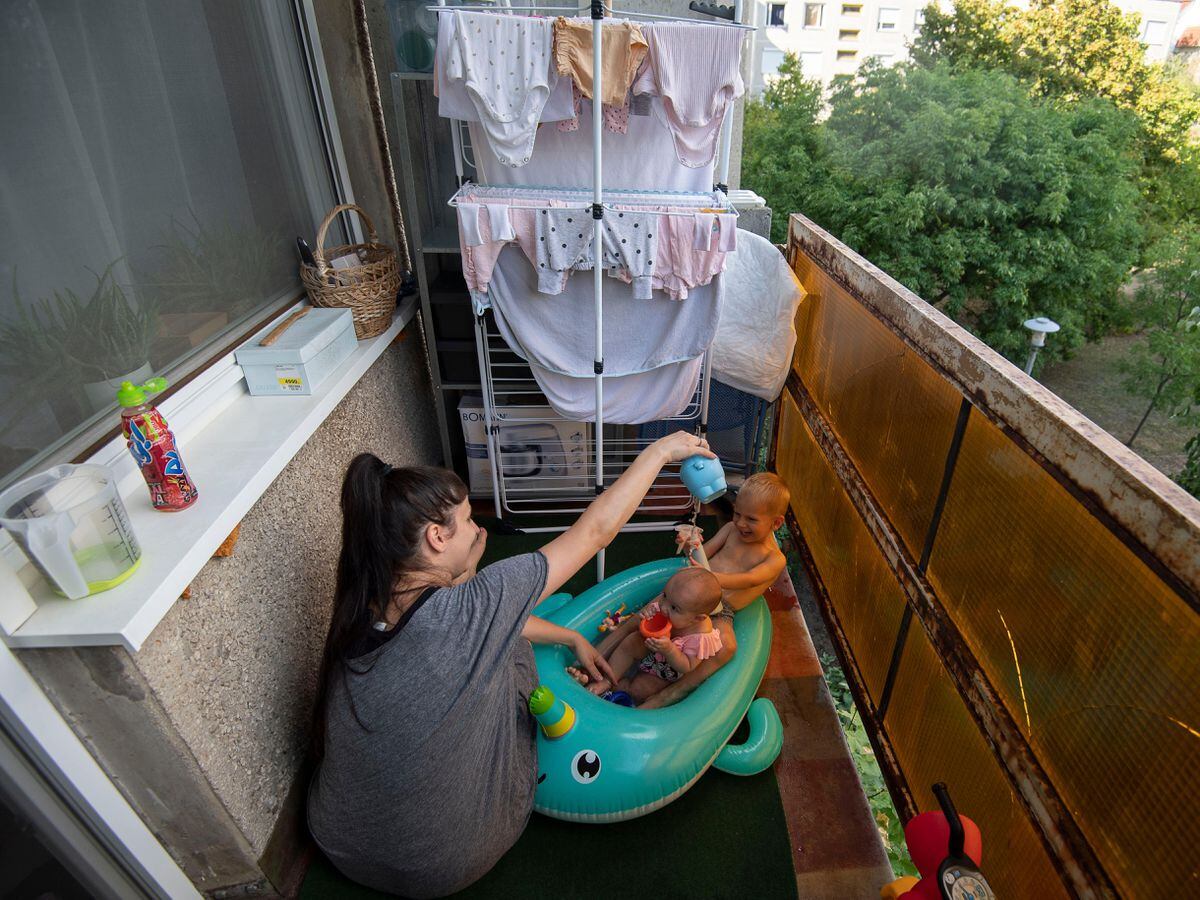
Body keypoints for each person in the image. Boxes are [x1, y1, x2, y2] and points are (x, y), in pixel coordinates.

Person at [306, 431, 713, 898]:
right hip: (440, 866)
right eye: (465, 520)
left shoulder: (364, 599)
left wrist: (569, 635)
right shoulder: (471, 608)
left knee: (496, 639)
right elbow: (595, 531)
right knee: (511, 650)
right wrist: (661, 452)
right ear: (437, 538)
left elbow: (466, 626)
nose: (476, 526)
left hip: (337, 838)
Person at [596, 471, 790, 710]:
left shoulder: (774, 558)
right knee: (647, 613)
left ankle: (672, 693)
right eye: (738, 513)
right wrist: (692, 546)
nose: (740, 523)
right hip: (694, 590)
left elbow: (749, 579)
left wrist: (712, 578)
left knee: (727, 647)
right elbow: (704, 553)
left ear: (776, 522)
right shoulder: (730, 530)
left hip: (721, 609)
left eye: (751, 519)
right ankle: (597, 657)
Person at [582, 567, 723, 704]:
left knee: (640, 689)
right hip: (650, 649)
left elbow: (686, 667)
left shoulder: (701, 636)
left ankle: (624, 688)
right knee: (631, 642)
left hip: (666, 671)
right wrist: (646, 619)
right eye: (665, 595)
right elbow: (646, 623)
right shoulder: (665, 606)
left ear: (697, 619)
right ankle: (607, 680)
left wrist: (669, 650)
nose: (663, 607)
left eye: (674, 608)